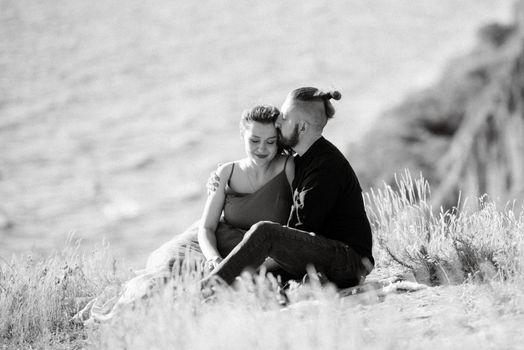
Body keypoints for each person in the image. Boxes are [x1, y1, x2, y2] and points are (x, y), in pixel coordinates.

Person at [72, 105, 294, 323]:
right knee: (168, 277)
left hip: (256, 251)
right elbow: (206, 228)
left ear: (279, 140)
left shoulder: (287, 167)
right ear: (242, 135)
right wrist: (213, 258)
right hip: (207, 244)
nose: (262, 149)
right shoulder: (227, 172)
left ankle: (118, 304)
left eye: (270, 142)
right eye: (254, 140)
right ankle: (107, 312)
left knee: (193, 296)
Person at [203, 87, 374, 289]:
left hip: (348, 261)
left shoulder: (325, 168)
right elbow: (269, 151)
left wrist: (248, 272)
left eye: (283, 118)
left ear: (301, 127)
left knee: (265, 232)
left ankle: (207, 289)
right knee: (261, 268)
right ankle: (223, 286)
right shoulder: (304, 157)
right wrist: (219, 177)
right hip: (326, 256)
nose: (278, 122)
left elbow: (299, 234)